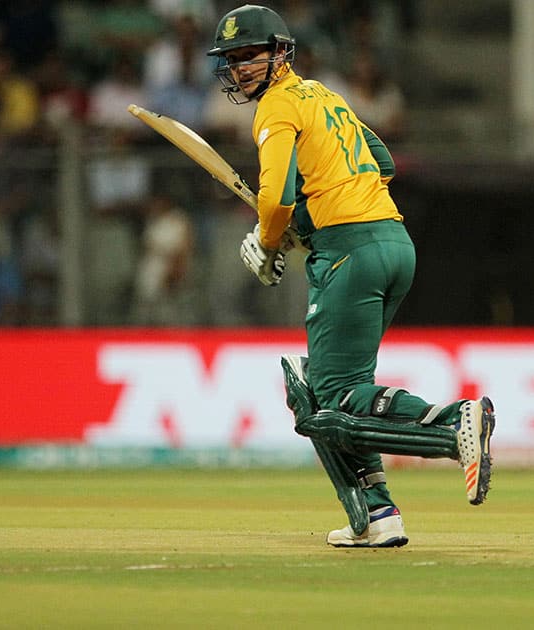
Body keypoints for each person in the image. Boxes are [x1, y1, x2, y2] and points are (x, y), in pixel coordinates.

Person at [205, 5, 495, 548]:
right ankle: (378, 514)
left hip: (350, 253)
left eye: (250, 55)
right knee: (324, 388)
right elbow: (381, 161)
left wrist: (268, 244)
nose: (241, 68)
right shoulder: (325, 96)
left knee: (330, 400)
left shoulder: (276, 107)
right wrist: (320, 211)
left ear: (280, 53)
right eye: (233, 59)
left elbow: (275, 198)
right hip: (393, 243)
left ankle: (456, 422)